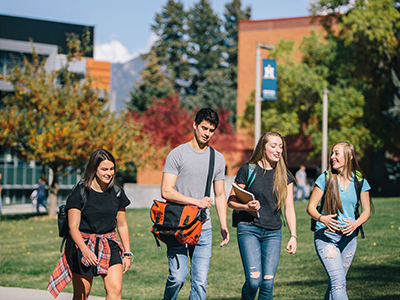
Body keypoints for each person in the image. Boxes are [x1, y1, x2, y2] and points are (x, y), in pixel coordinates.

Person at [160, 107, 229, 300]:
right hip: (178, 226)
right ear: (195, 125)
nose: (207, 133)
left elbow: (220, 195)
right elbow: (166, 191)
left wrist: (223, 224)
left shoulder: (217, 159)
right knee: (177, 277)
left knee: (199, 282)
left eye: (211, 130)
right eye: (204, 128)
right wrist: (196, 202)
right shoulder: (177, 154)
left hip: (203, 228)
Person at [48, 149, 132, 300]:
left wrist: (127, 253)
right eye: (104, 169)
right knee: (82, 295)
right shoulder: (79, 193)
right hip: (84, 244)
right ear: (94, 170)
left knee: (115, 291)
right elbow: (73, 227)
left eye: (111, 169)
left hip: (109, 243)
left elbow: (122, 225)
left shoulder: (118, 193)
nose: (109, 173)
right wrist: (85, 250)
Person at [228, 131, 297, 300]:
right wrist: (246, 206)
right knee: (253, 280)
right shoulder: (248, 169)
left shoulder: (284, 175)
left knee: (267, 282)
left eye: (280, 146)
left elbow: (289, 207)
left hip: (273, 232)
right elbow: (231, 200)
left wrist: (293, 235)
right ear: (263, 148)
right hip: (249, 229)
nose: (278, 150)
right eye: (273, 146)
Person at [307, 142, 372, 300]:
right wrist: (322, 218)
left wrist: (356, 223)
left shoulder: (359, 180)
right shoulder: (325, 178)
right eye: (332, 153)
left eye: (337, 153)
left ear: (349, 156)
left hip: (349, 240)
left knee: (335, 283)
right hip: (326, 238)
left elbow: (367, 211)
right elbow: (310, 207)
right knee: (338, 282)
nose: (332, 157)